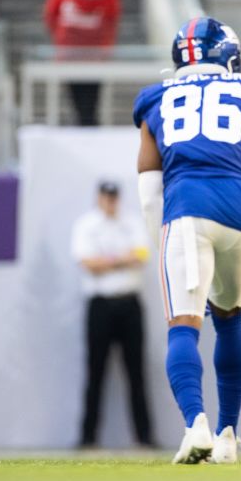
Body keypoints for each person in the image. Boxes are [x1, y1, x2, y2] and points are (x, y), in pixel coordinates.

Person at [133, 17, 241, 465]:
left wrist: (165, 247)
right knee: (229, 320)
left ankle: (195, 425)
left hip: (187, 209)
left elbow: (149, 193)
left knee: (184, 325)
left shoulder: (153, 100)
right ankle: (227, 436)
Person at [71, 181, 156, 449]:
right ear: (99, 198)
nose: (110, 202)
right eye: (106, 197)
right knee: (95, 372)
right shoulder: (87, 225)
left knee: (136, 373)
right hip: (100, 306)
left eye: (113, 197)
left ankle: (144, 438)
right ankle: (88, 438)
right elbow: (87, 263)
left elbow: (141, 255)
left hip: (129, 304)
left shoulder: (131, 222)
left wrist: (106, 261)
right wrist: (121, 259)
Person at [43, 0, 122, 124]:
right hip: (70, 58)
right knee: (79, 107)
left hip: (96, 60)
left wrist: (105, 49)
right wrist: (63, 43)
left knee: (91, 106)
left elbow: (112, 22)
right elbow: (50, 17)